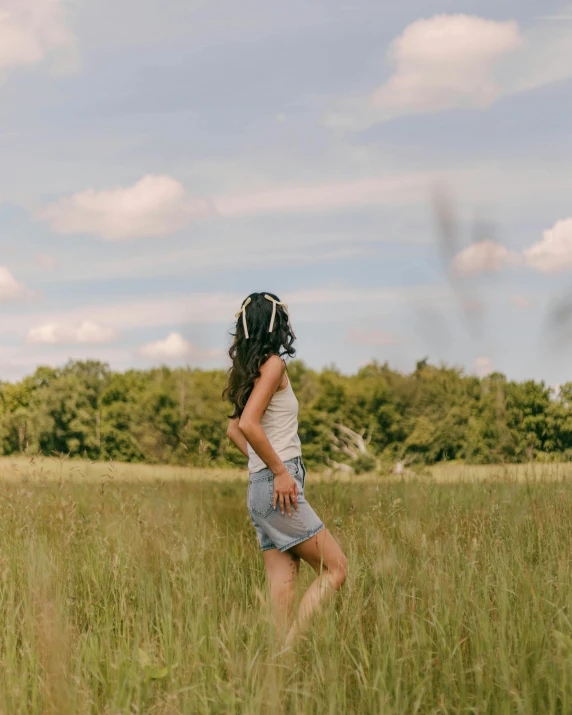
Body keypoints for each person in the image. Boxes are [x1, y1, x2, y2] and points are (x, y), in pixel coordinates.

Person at [224, 292, 347, 645]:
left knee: (283, 583)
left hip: (260, 489)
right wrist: (278, 470)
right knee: (335, 569)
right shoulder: (273, 364)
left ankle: (276, 669)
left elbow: (234, 428)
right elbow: (248, 424)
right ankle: (290, 652)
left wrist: (264, 466)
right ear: (277, 324)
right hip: (278, 482)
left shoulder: (248, 370)